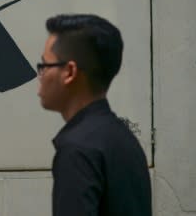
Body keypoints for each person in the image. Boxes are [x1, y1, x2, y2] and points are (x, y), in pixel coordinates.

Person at [37, 14, 151, 216]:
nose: (41, 75)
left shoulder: (77, 149)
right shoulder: (123, 137)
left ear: (69, 72)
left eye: (45, 66)